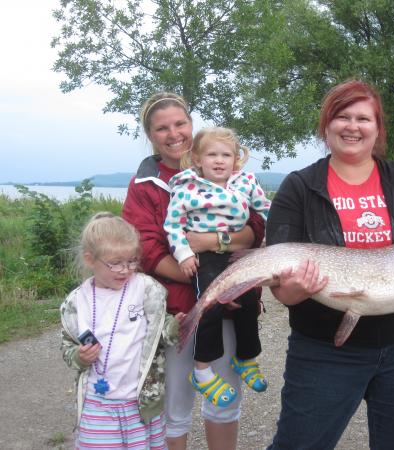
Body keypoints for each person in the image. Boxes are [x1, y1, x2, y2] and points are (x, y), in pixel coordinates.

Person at [265, 79, 394, 450]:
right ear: (326, 126)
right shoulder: (298, 188)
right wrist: (294, 289)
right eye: (342, 116)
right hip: (323, 351)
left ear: (378, 129)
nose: (353, 126)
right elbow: (283, 289)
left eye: (364, 118)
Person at [122, 93, 265, 450]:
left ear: (191, 124)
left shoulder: (227, 172)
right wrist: (211, 286)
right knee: (177, 403)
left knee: (225, 402)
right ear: (150, 135)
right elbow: (147, 250)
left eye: (180, 123)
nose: (174, 134)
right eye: (162, 128)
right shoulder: (146, 184)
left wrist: (216, 244)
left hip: (231, 297)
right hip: (180, 307)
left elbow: (256, 228)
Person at [164, 127, 270, 406]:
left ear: (236, 160)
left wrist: (278, 231)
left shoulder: (245, 182)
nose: (219, 160)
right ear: (198, 159)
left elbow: (266, 208)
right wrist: (184, 254)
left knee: (249, 300)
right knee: (210, 305)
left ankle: (245, 357)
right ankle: (202, 370)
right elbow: (173, 225)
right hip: (204, 257)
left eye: (226, 155)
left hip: (237, 252)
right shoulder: (186, 188)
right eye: (212, 154)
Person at [60, 212, 182, 449]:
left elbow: (160, 332)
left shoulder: (145, 290)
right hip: (98, 403)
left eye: (132, 261)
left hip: (141, 403)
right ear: (90, 259)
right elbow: (67, 347)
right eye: (115, 263)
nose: (125, 270)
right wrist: (78, 356)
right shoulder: (76, 303)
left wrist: (176, 326)